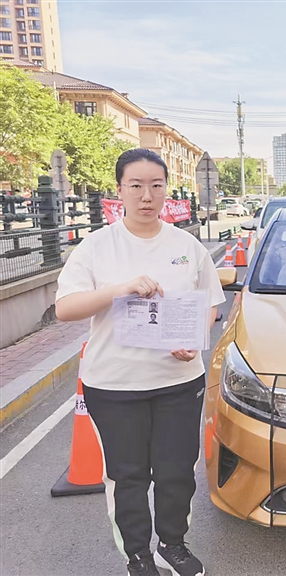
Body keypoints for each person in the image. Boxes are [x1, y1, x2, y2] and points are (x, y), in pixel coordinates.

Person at [55, 148, 226, 576]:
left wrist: (194, 340)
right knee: (127, 475)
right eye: (136, 185)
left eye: (156, 185)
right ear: (120, 190)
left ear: (167, 189)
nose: (147, 195)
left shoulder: (187, 246)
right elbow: (65, 308)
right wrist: (122, 289)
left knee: (177, 471)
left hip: (179, 381)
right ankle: (137, 555)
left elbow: (209, 304)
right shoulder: (97, 247)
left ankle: (172, 544)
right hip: (115, 384)